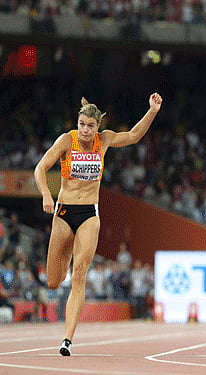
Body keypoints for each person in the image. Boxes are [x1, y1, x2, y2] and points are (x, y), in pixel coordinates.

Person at [34, 93, 162, 355]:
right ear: (77, 123)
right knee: (54, 281)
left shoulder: (104, 141)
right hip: (63, 211)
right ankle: (61, 273)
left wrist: (152, 111)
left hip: (89, 213)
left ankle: (67, 340)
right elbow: (40, 168)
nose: (85, 130)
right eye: (82, 124)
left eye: (90, 126)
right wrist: (47, 194)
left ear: (97, 127)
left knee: (79, 275)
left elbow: (135, 136)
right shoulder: (66, 141)